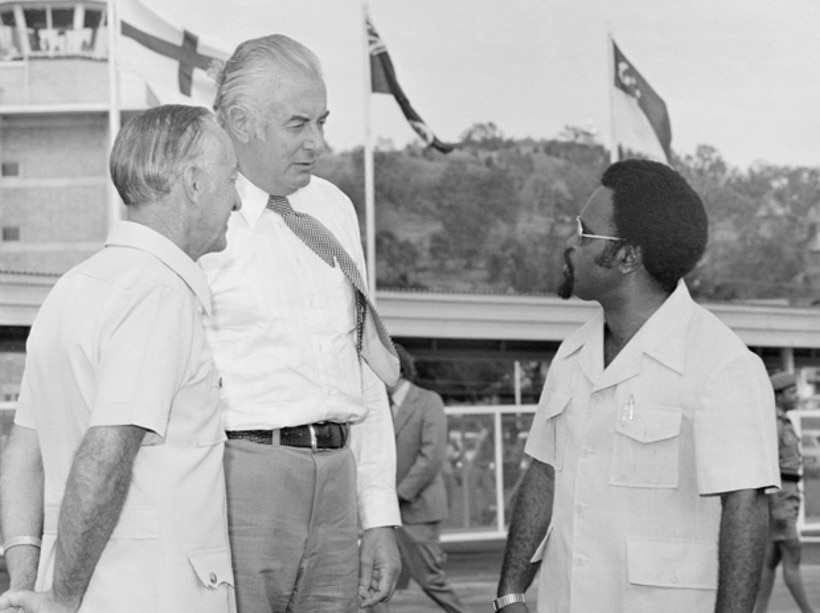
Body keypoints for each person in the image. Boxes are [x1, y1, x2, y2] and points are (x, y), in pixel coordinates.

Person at [495, 159, 780, 613]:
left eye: (585, 233)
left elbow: (744, 508)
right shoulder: (572, 355)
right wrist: (510, 592)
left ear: (628, 256)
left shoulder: (722, 364)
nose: (570, 243)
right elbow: (544, 474)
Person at [0, 104, 241, 613]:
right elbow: (105, 457)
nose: (237, 201)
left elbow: (23, 451)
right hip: (153, 593)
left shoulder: (73, 287)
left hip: (85, 588)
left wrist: (28, 583)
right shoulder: (157, 294)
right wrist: (62, 599)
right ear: (195, 183)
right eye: (231, 178)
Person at [200, 34, 401, 612]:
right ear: (239, 121)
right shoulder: (199, 213)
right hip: (240, 478)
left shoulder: (333, 206)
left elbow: (362, 359)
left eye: (322, 120)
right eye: (297, 124)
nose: (317, 142)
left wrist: (379, 514)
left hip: (338, 477)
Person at [368, 344, 467, 613]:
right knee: (376, 581)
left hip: (418, 510)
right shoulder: (375, 406)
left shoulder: (428, 400)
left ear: (397, 368)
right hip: (384, 514)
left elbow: (431, 458)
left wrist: (396, 495)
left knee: (431, 581)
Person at [754, 372, 816, 613]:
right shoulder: (776, 424)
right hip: (781, 500)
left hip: (788, 496)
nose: (797, 396)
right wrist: (777, 506)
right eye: (791, 392)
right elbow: (768, 468)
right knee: (793, 553)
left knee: (771, 560)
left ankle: (759, 610)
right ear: (778, 396)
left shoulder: (784, 422)